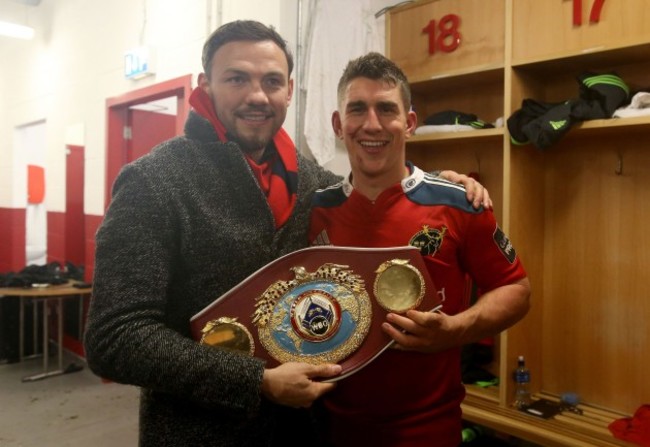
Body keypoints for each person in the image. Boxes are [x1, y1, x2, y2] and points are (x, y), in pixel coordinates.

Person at [84, 21, 492, 447]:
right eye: (237, 78)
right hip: (199, 435)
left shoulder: (312, 181)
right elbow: (114, 338)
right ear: (205, 85)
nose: (257, 96)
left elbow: (377, 192)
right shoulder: (154, 182)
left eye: (271, 81)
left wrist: (443, 185)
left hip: (306, 433)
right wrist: (256, 380)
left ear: (289, 91)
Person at [308, 52, 531, 447]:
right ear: (339, 125)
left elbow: (517, 290)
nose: (372, 124)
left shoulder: (460, 204)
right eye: (357, 109)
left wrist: (455, 331)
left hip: (427, 432)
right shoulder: (313, 210)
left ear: (409, 123)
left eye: (386, 109)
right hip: (327, 429)